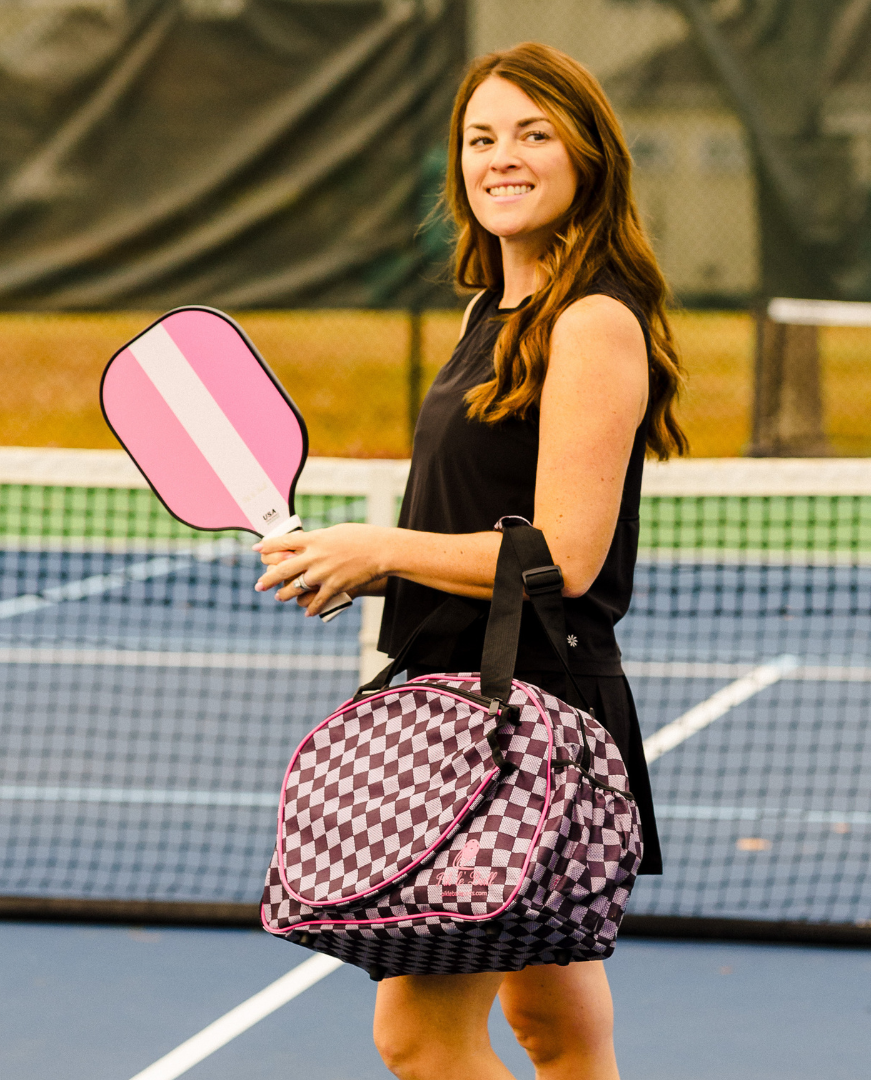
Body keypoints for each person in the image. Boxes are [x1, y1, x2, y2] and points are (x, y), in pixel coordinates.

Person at [254, 41, 686, 1080]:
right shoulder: (488, 314)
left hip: (525, 712)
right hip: (461, 693)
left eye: (533, 134)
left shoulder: (592, 322)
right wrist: (345, 555)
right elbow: (469, 509)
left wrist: (379, 549)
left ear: (588, 156)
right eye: (481, 137)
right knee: (559, 1033)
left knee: (418, 1037)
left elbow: (564, 559)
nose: (502, 156)